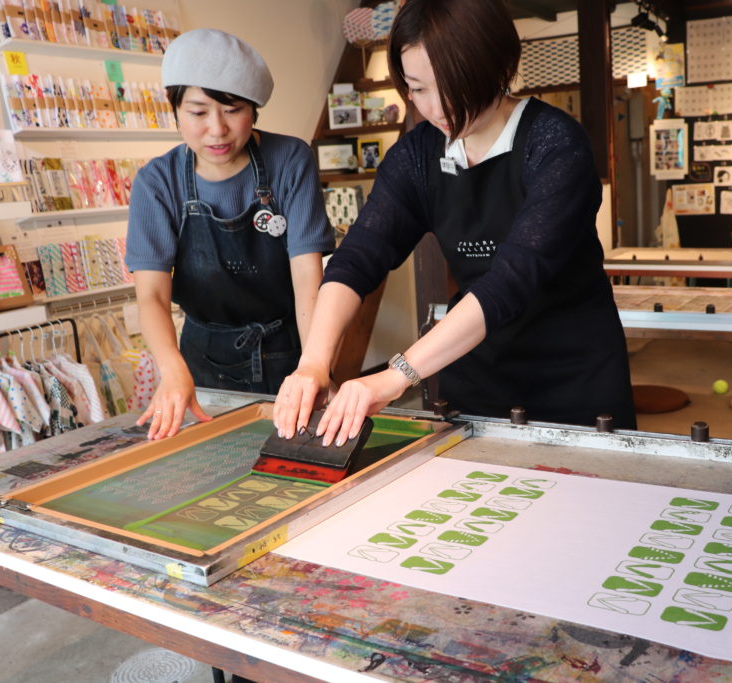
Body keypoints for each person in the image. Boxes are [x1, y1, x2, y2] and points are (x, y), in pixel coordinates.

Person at [273, 0, 635, 445]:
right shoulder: (418, 155)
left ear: (498, 65)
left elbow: (511, 281)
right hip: (476, 374)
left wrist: (395, 375)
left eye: (453, 85)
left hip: (575, 377)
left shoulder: (555, 144)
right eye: (418, 89)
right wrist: (313, 362)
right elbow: (358, 258)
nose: (437, 107)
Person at [126, 29, 335, 440]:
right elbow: (151, 294)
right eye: (198, 113)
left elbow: (308, 278)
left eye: (232, 109)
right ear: (176, 112)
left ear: (253, 110)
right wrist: (172, 371)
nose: (217, 130)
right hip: (201, 360)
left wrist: (316, 366)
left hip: (288, 349)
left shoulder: (290, 160)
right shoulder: (156, 182)